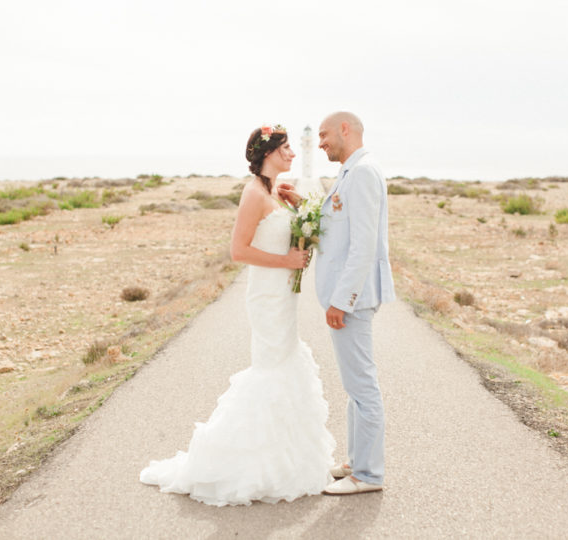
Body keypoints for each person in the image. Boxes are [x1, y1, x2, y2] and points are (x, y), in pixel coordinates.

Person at [139, 125, 336, 506]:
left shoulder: (271, 191)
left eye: (294, 147)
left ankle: (284, 457)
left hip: (282, 294)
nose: (293, 153)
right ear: (268, 153)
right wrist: (286, 260)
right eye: (286, 148)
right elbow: (238, 251)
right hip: (266, 295)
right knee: (271, 367)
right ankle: (250, 462)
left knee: (285, 362)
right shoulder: (252, 193)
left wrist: (294, 206)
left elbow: (278, 227)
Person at [279, 111, 395, 496]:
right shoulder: (352, 170)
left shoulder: (362, 173)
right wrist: (302, 203)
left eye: (325, 135)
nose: (321, 142)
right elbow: (338, 227)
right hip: (352, 297)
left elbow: (362, 247)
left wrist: (341, 301)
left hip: (354, 299)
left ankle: (369, 474)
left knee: (362, 386)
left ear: (345, 129)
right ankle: (355, 461)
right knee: (354, 385)